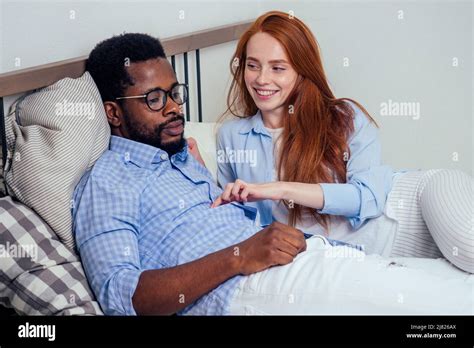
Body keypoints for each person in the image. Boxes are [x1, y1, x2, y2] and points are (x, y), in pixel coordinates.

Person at [73, 32, 473, 316]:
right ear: (112, 113)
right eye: (154, 100)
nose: (174, 109)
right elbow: (122, 297)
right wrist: (239, 255)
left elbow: (364, 198)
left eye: (175, 94)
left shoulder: (183, 158)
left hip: (366, 230)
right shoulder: (109, 182)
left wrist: (223, 179)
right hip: (263, 278)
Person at [214, 11, 474, 273]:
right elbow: (233, 220)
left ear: (302, 72)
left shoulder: (342, 117)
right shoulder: (231, 136)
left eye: (278, 68)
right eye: (253, 65)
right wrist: (202, 179)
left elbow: (367, 198)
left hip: (416, 206)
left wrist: (281, 189)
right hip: (381, 260)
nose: (261, 79)